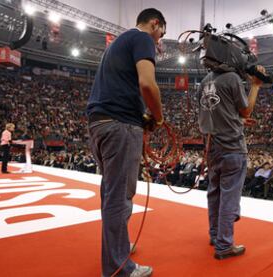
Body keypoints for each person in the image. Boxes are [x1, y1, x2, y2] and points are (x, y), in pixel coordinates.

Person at [86, 8, 166, 277]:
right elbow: (147, 84)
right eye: (161, 34)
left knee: (111, 193)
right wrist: (158, 117)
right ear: (154, 24)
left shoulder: (118, 44)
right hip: (119, 126)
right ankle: (118, 267)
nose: (159, 42)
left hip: (100, 124)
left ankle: (117, 248)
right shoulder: (143, 39)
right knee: (119, 197)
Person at [198, 65, 264, 260]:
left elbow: (213, 113)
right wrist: (256, 86)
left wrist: (237, 121)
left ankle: (215, 235)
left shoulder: (204, 82)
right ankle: (224, 244)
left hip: (212, 147)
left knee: (214, 192)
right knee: (229, 196)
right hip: (232, 147)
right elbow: (246, 110)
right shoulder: (232, 78)